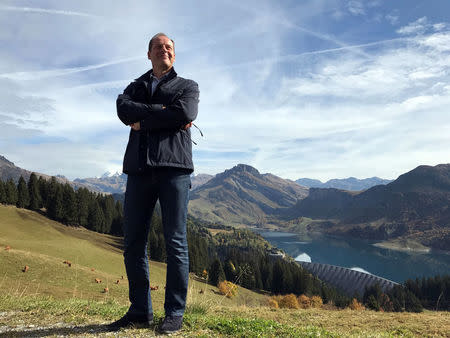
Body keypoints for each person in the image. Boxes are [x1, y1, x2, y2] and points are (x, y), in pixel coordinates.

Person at [108, 32, 199, 334]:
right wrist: (163, 113)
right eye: (159, 47)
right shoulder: (135, 86)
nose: (164, 50)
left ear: (174, 54)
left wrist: (143, 120)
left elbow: (185, 112)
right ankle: (139, 311)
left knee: (175, 242)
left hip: (174, 171)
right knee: (133, 242)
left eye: (169, 47)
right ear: (149, 54)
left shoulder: (187, 87)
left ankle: (174, 312)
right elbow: (123, 109)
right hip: (138, 170)